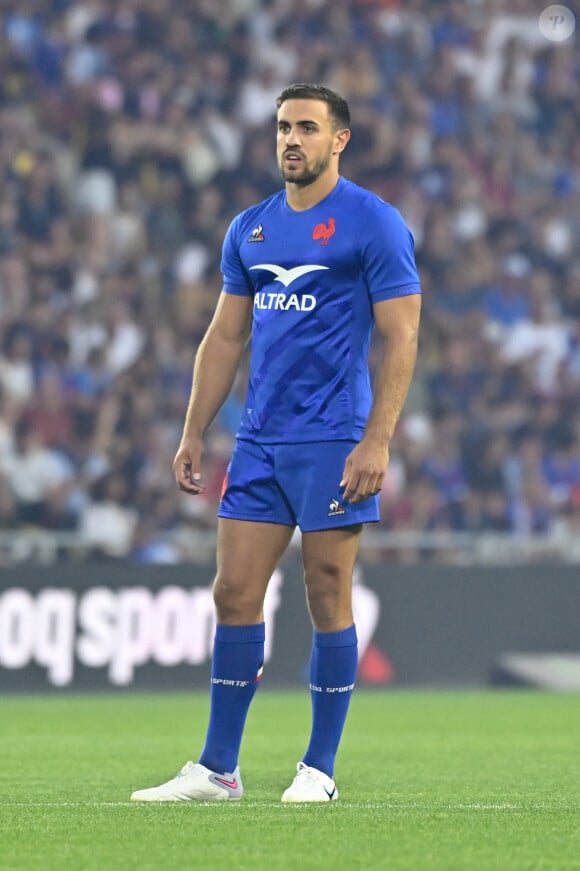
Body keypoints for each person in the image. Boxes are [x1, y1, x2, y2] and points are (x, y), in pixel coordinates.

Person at [130, 83, 421, 803]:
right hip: (259, 439)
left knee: (327, 590)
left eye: (308, 128)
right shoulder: (251, 229)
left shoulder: (373, 224)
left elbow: (402, 334)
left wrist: (376, 440)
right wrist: (195, 428)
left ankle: (318, 767)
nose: (292, 139)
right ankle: (217, 768)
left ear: (339, 140)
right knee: (233, 591)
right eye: (284, 127)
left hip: (335, 437)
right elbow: (226, 335)